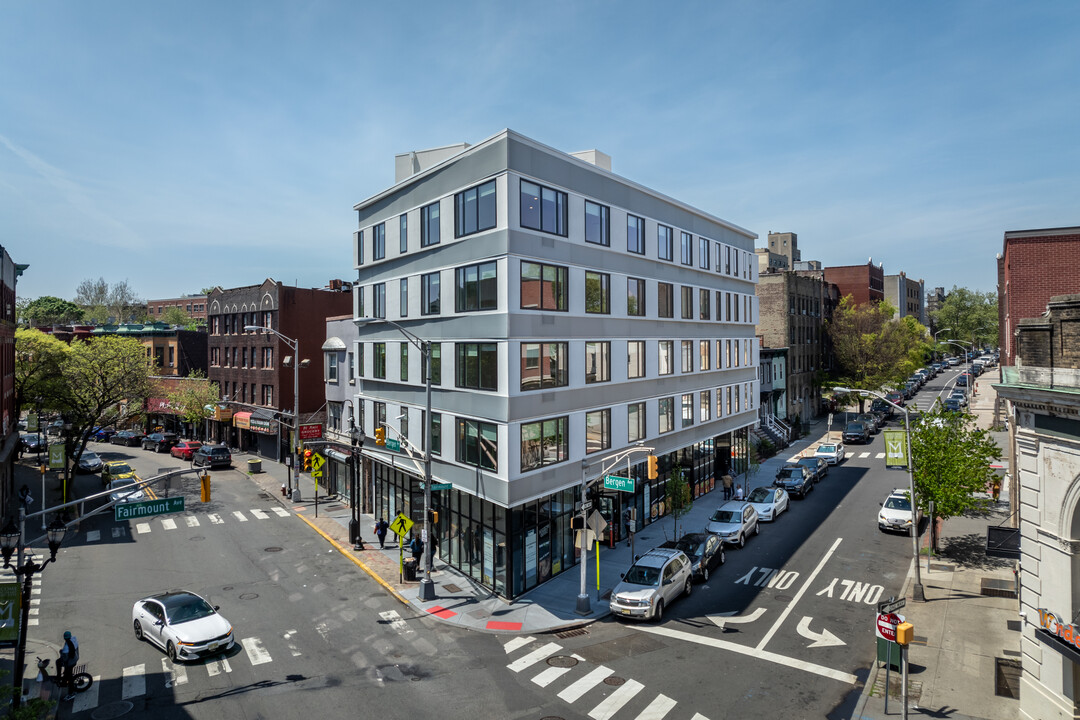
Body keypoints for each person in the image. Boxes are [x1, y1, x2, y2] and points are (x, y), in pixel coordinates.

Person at [58, 630, 79, 700]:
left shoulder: (66, 649)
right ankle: (65, 679)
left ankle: (71, 693)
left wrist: (61, 652)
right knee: (66, 673)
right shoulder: (74, 640)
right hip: (75, 659)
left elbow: (65, 659)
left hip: (70, 663)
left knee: (70, 678)